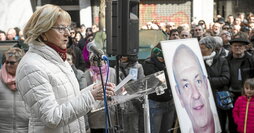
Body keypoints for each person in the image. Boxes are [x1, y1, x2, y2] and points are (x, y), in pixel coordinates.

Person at [15, 4, 115, 133]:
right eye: (61, 28)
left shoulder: (58, 59)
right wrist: (91, 96)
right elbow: (51, 117)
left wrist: (93, 90)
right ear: (43, 32)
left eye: (68, 27)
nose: (68, 33)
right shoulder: (31, 66)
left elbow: (69, 100)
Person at [172, 45, 216, 133]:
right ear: (179, 95)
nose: (196, 95)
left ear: (206, 85)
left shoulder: (221, 123)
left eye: (198, 81)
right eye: (186, 85)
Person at [142, 43, 176, 133]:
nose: (161, 57)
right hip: (156, 102)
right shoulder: (148, 63)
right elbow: (159, 81)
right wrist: (165, 65)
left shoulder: (170, 62)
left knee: (166, 130)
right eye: (160, 54)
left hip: (170, 101)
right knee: (154, 130)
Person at [199, 36, 230, 133]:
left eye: (202, 48)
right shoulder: (198, 61)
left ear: (210, 48)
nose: (200, 49)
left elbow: (225, 79)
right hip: (204, 99)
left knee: (220, 124)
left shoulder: (222, 60)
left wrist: (207, 81)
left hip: (219, 98)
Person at [83, 52, 118, 133]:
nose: (99, 61)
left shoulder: (112, 72)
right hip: (94, 115)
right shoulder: (87, 74)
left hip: (110, 113)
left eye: (101, 59)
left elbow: (120, 89)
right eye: (94, 60)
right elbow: (84, 93)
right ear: (91, 61)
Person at [0, 47, 30, 133]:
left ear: (21, 63)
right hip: (3, 128)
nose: (8, 65)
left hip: (26, 129)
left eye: (12, 63)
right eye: (6, 62)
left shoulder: (29, 78)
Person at [119, 55, 145, 133]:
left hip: (134, 100)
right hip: (122, 100)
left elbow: (141, 83)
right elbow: (117, 84)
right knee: (124, 127)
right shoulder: (117, 67)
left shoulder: (138, 67)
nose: (122, 58)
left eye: (124, 56)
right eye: (121, 56)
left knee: (134, 127)